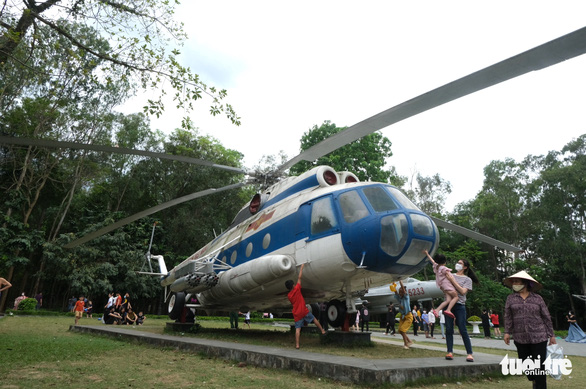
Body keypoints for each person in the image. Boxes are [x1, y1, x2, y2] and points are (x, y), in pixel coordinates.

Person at [503, 270, 556, 389]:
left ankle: (540, 385)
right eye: (513, 282)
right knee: (526, 365)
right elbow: (508, 316)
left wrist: (551, 334)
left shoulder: (537, 298)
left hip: (539, 336)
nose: (514, 284)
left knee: (540, 367)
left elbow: (546, 316)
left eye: (517, 281)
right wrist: (507, 332)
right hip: (520, 337)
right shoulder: (511, 298)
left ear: (525, 283)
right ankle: (534, 380)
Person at [285, 263, 326, 349]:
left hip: (296, 313)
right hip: (304, 310)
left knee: (298, 329)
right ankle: (322, 330)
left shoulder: (289, 296)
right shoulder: (297, 289)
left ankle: (297, 345)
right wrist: (301, 268)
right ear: (293, 285)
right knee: (314, 319)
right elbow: (299, 278)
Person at [444, 258, 478, 363]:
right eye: (457, 262)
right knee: (449, 329)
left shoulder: (467, 280)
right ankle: (450, 352)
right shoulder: (450, 274)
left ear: (465, 267)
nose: (457, 264)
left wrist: (452, 280)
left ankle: (469, 353)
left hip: (460, 306)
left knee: (463, 329)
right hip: (448, 305)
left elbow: (463, 292)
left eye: (460, 263)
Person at [424, 250, 457, 319]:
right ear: (444, 261)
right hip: (448, 285)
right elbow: (449, 275)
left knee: (448, 300)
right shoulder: (444, 268)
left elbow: (432, 261)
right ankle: (448, 310)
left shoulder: (436, 266)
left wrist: (427, 254)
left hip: (442, 286)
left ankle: (437, 310)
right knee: (456, 297)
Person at [397, 280, 414, 349]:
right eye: (399, 292)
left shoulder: (406, 297)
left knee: (403, 330)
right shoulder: (400, 299)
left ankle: (406, 344)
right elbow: (395, 292)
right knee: (400, 330)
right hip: (403, 316)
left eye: (401, 292)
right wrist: (393, 284)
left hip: (408, 316)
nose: (400, 293)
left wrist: (400, 281)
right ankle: (409, 341)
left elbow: (404, 290)